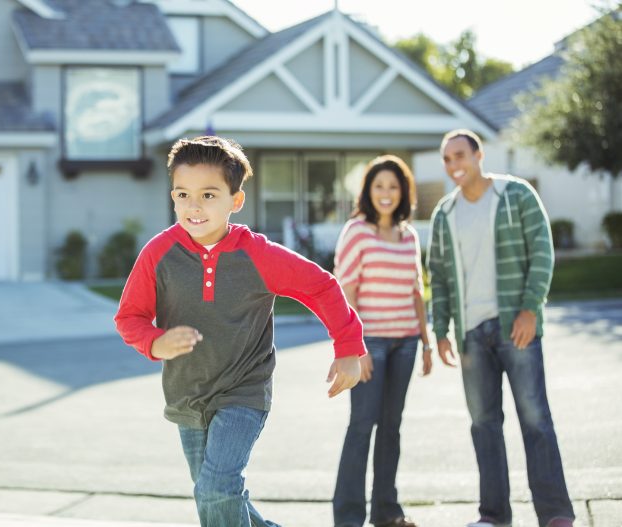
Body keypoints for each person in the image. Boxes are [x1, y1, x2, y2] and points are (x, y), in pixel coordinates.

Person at [114, 135, 367, 527]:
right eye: (182, 194)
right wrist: (155, 342)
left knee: (217, 488)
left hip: (243, 391)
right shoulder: (159, 253)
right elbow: (129, 316)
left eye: (208, 195)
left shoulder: (258, 254)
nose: (193, 206)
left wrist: (347, 346)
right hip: (187, 395)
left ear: (235, 201)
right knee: (216, 495)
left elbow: (321, 286)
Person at [427, 129, 574, 527]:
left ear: (479, 155)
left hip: (516, 327)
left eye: (460, 155)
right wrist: (440, 331)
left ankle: (556, 514)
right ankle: (493, 516)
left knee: (536, 419)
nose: (454, 164)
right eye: (447, 159)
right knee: (483, 425)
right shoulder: (445, 213)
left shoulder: (517, 195)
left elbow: (542, 251)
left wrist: (530, 309)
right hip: (471, 334)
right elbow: (437, 275)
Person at [331, 155, 433, 527]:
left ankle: (387, 512)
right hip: (370, 343)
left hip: (406, 342)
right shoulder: (357, 231)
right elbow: (347, 290)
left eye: (393, 186)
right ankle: (348, 518)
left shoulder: (409, 235)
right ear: (368, 192)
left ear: (403, 191)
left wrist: (426, 341)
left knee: (392, 428)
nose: (386, 193)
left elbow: (415, 291)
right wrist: (356, 348)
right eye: (379, 186)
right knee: (362, 426)